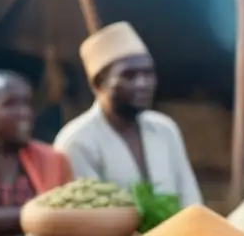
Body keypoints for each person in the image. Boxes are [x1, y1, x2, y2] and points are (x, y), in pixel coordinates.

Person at [54, 22, 202, 208]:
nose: (143, 83)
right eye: (129, 76)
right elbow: (90, 218)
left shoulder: (165, 129)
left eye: (148, 74)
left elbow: (191, 200)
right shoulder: (78, 141)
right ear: (99, 84)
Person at [0, 70, 73, 236]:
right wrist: (40, 215)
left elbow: (70, 212)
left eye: (27, 104)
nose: (24, 113)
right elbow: (57, 215)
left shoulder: (53, 160)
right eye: (10, 104)